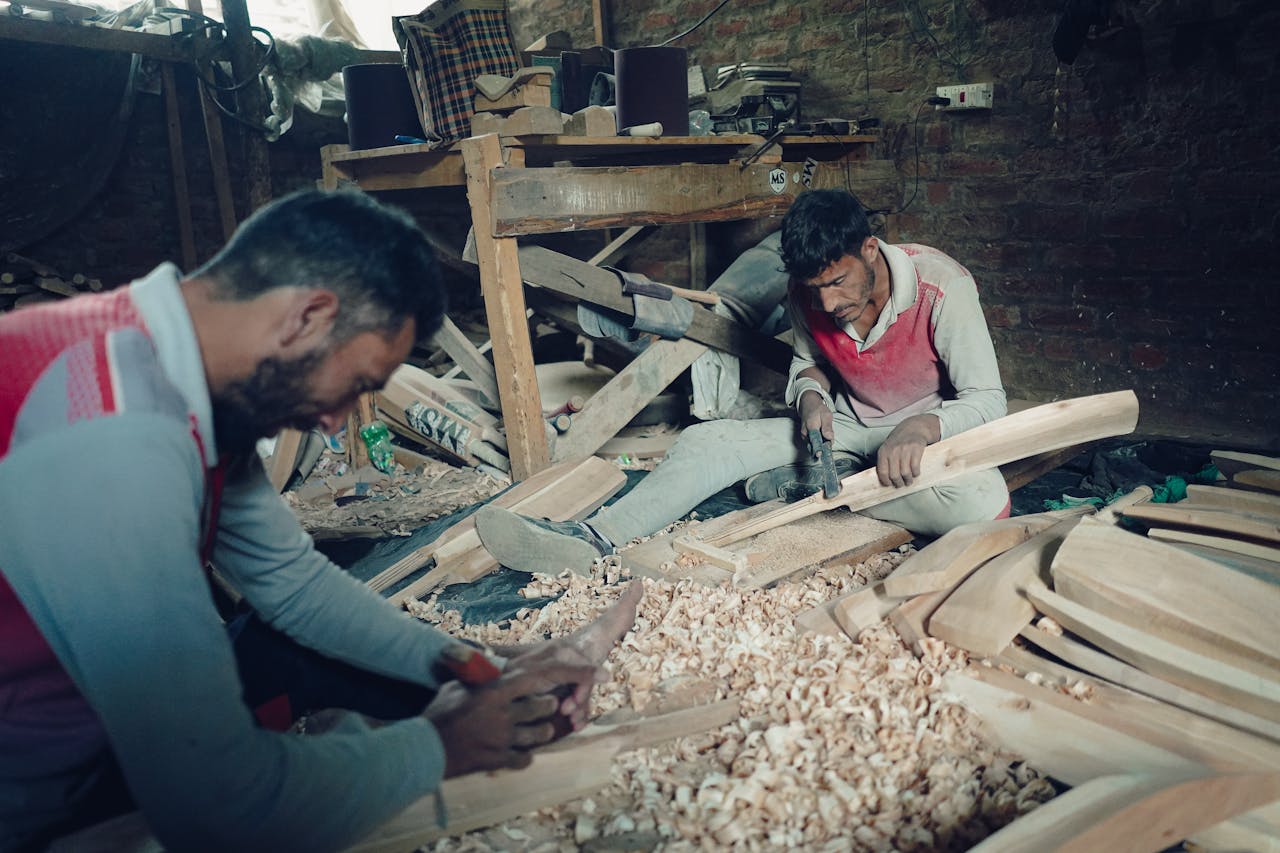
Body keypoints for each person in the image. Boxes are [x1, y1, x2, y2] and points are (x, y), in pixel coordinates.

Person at [0, 189, 641, 852]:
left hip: (81, 730)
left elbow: (292, 582)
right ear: (307, 316)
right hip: (31, 803)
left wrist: (470, 665)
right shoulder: (114, 441)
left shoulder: (171, 362)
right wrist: (440, 747)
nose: (338, 421)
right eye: (361, 381)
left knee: (294, 648)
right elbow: (219, 805)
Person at [475, 188, 1011, 574]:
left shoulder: (943, 287)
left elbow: (988, 399)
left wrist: (921, 427)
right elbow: (808, 363)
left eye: (837, 281)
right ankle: (596, 537)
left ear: (870, 250)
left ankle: (829, 487)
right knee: (708, 440)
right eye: (813, 288)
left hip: (927, 431)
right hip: (847, 427)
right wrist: (808, 396)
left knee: (981, 502)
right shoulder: (810, 295)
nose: (828, 302)